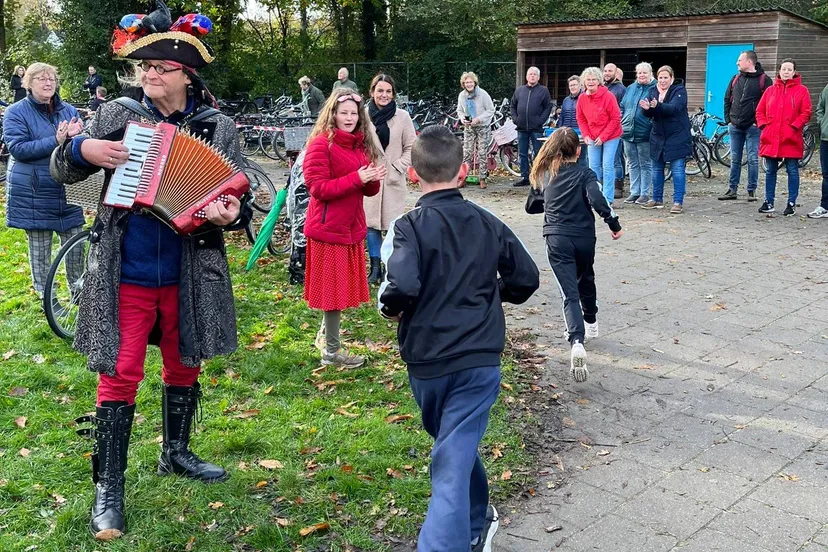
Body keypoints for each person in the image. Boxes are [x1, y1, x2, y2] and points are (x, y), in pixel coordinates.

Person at [50, 6, 252, 540]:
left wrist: (233, 216)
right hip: (127, 268)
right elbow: (63, 169)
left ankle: (177, 452)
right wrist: (81, 147)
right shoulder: (117, 115)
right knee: (119, 371)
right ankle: (108, 487)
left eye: (162, 65)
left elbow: (237, 199)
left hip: (191, 270)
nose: (151, 73)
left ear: (186, 72)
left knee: (184, 362)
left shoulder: (216, 126)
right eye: (145, 65)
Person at [379, 125, 539, 552]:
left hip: (430, 360)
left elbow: (400, 286)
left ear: (413, 175)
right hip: (475, 359)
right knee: (453, 446)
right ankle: (475, 520)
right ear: (463, 171)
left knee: (449, 456)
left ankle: (447, 541)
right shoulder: (489, 223)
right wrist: (493, 293)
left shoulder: (407, 227)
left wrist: (391, 309)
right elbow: (525, 279)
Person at [529, 127, 622, 382]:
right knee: (586, 277)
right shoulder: (586, 174)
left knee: (568, 292)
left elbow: (531, 206)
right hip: (584, 237)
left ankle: (577, 341)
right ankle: (591, 320)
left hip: (557, 237)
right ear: (578, 151)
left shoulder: (545, 173)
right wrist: (613, 224)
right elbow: (598, 200)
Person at [304, 88, 385, 367]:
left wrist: (373, 178)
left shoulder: (358, 145)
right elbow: (317, 188)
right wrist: (357, 177)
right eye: (344, 112)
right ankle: (331, 353)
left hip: (350, 228)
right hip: (328, 229)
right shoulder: (320, 145)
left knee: (337, 291)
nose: (349, 117)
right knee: (332, 294)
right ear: (333, 113)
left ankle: (327, 338)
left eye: (354, 113)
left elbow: (368, 190)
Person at [4, 63, 85, 304]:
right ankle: (48, 299)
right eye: (41, 79)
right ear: (28, 84)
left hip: (68, 188)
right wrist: (56, 140)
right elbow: (17, 149)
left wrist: (79, 136)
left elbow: (81, 145)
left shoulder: (69, 109)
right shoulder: (15, 112)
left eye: (51, 78)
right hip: (34, 191)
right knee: (40, 251)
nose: (48, 83)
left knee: (75, 247)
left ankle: (79, 297)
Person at [364, 73, 416, 284]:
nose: (384, 95)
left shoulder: (402, 117)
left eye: (388, 91)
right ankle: (374, 267)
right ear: (372, 92)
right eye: (380, 91)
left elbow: (412, 147)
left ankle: (389, 267)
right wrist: (364, 170)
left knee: (393, 226)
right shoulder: (362, 115)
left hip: (393, 179)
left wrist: (397, 167)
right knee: (371, 225)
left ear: (393, 94)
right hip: (369, 178)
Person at [756, 59, 812, 216]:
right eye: (784, 69)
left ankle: (791, 203)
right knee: (770, 171)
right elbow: (760, 111)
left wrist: (794, 126)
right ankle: (769, 201)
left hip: (791, 138)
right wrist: (764, 126)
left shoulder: (802, 91)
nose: (786, 72)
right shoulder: (770, 91)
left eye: (789, 69)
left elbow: (806, 112)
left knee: (792, 170)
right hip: (771, 137)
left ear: (794, 72)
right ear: (779, 71)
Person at [719, 50, 772, 201]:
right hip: (735, 125)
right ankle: (732, 190)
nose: (737, 63)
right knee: (735, 158)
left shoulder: (764, 80)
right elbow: (727, 99)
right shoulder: (735, 79)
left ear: (749, 62)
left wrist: (759, 122)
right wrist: (728, 120)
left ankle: (751, 190)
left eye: (740, 60)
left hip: (753, 127)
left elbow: (769, 104)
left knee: (753, 158)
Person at [640, 65, 692, 214]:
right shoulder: (652, 91)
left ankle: (677, 201)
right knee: (656, 168)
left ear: (672, 78)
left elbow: (673, 108)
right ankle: (656, 199)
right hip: (658, 136)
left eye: (665, 78)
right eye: (660, 77)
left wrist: (657, 106)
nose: (662, 81)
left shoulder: (679, 91)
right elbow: (650, 114)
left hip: (677, 136)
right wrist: (645, 109)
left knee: (677, 169)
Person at [576, 66, 622, 206]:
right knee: (593, 166)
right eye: (588, 79)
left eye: (594, 79)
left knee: (607, 165)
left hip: (611, 134)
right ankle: (595, 196)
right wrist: (586, 135)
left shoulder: (608, 96)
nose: (590, 82)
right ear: (584, 82)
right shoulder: (582, 98)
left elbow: (615, 118)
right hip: (592, 135)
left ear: (599, 81)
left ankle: (608, 199)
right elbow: (581, 118)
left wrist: (603, 137)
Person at [620, 62, 656, 205]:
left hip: (645, 132)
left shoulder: (655, 88)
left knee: (645, 163)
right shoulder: (630, 88)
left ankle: (644, 193)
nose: (642, 75)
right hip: (628, 131)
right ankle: (634, 192)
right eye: (639, 73)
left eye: (644, 73)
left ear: (650, 73)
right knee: (633, 163)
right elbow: (623, 106)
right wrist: (622, 120)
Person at [510, 66, 552, 187]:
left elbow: (548, 107)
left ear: (538, 77)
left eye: (534, 74)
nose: (532, 76)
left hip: (536, 128)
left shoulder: (543, 91)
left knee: (539, 153)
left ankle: (539, 177)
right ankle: (525, 177)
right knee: (522, 153)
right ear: (526, 76)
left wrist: (541, 120)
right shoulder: (520, 90)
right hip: (521, 127)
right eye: (530, 74)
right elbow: (513, 105)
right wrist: (515, 119)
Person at [457, 71, 495, 189]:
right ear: (463, 84)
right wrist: (463, 119)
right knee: (467, 152)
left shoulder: (483, 94)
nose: (469, 84)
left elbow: (490, 110)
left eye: (471, 82)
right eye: (466, 82)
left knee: (482, 152)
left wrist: (478, 119)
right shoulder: (462, 96)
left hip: (482, 126)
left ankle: (482, 177)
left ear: (475, 82)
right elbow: (460, 110)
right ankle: (464, 177)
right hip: (469, 127)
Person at [604, 63, 627, 199]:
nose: (607, 73)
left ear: (615, 73)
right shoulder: (602, 88)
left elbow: (623, 109)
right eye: (605, 70)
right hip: (601, 130)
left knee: (616, 159)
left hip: (615, 129)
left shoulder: (621, 89)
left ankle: (618, 186)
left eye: (610, 71)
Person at [808, 82, 828, 218]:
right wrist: (822, 122)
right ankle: (825, 206)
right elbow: (820, 108)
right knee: (826, 174)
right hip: (826, 137)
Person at [558, 75, 587, 166]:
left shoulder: (585, 98)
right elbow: (562, 116)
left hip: (581, 133)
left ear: (580, 86)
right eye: (571, 85)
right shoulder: (566, 100)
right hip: (567, 133)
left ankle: (583, 178)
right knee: (567, 157)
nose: (572, 87)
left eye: (574, 85)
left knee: (582, 157)